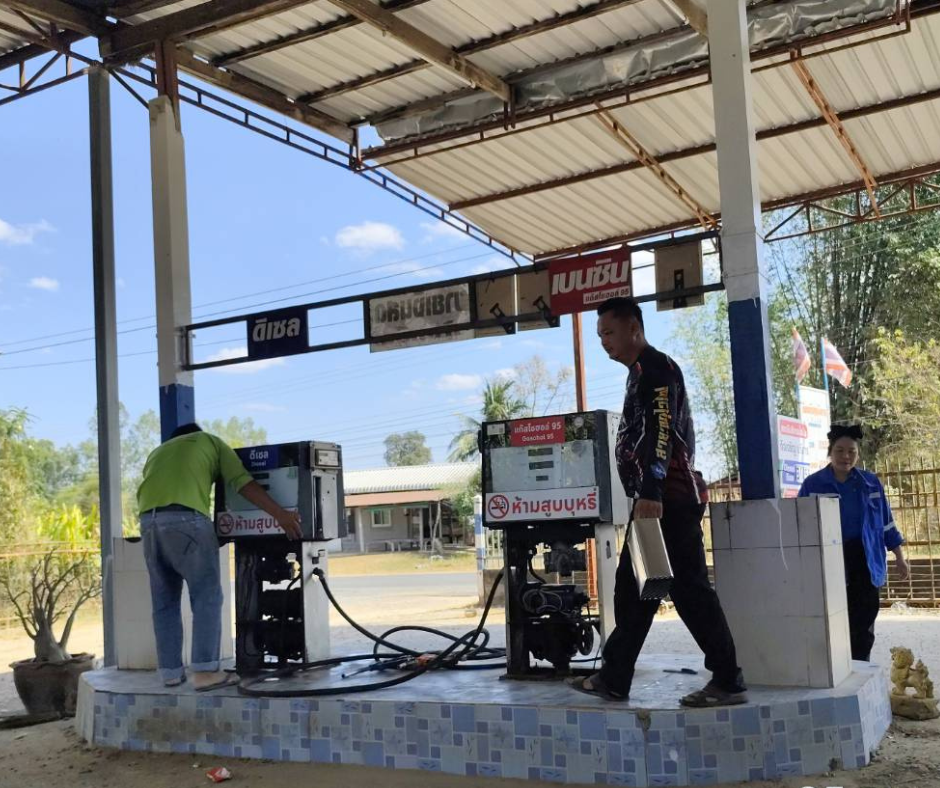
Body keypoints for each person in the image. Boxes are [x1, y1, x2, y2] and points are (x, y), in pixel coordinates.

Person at [570, 296, 747, 707]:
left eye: (609, 332)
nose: (603, 341)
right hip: (654, 502)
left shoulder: (656, 369)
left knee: (689, 592)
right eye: (599, 335)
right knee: (635, 590)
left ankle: (728, 680)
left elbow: (661, 430)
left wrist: (651, 490)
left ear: (634, 328)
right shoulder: (638, 373)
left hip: (669, 501)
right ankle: (615, 677)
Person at [137, 423, 302, 691]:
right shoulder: (210, 442)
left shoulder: (158, 452)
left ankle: (170, 673)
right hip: (187, 519)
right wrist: (280, 515)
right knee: (207, 596)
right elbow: (243, 483)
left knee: (164, 602)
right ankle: (205, 672)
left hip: (149, 524)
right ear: (196, 434)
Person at [798, 424, 909, 661]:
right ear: (830, 452)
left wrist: (899, 557)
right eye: (839, 450)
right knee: (834, 618)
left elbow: (886, 522)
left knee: (865, 617)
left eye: (852, 451)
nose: (846, 456)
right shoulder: (813, 485)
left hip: (866, 559)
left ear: (858, 454)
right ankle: (837, 666)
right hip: (830, 561)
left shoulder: (870, 483)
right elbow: (799, 527)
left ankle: (860, 665)